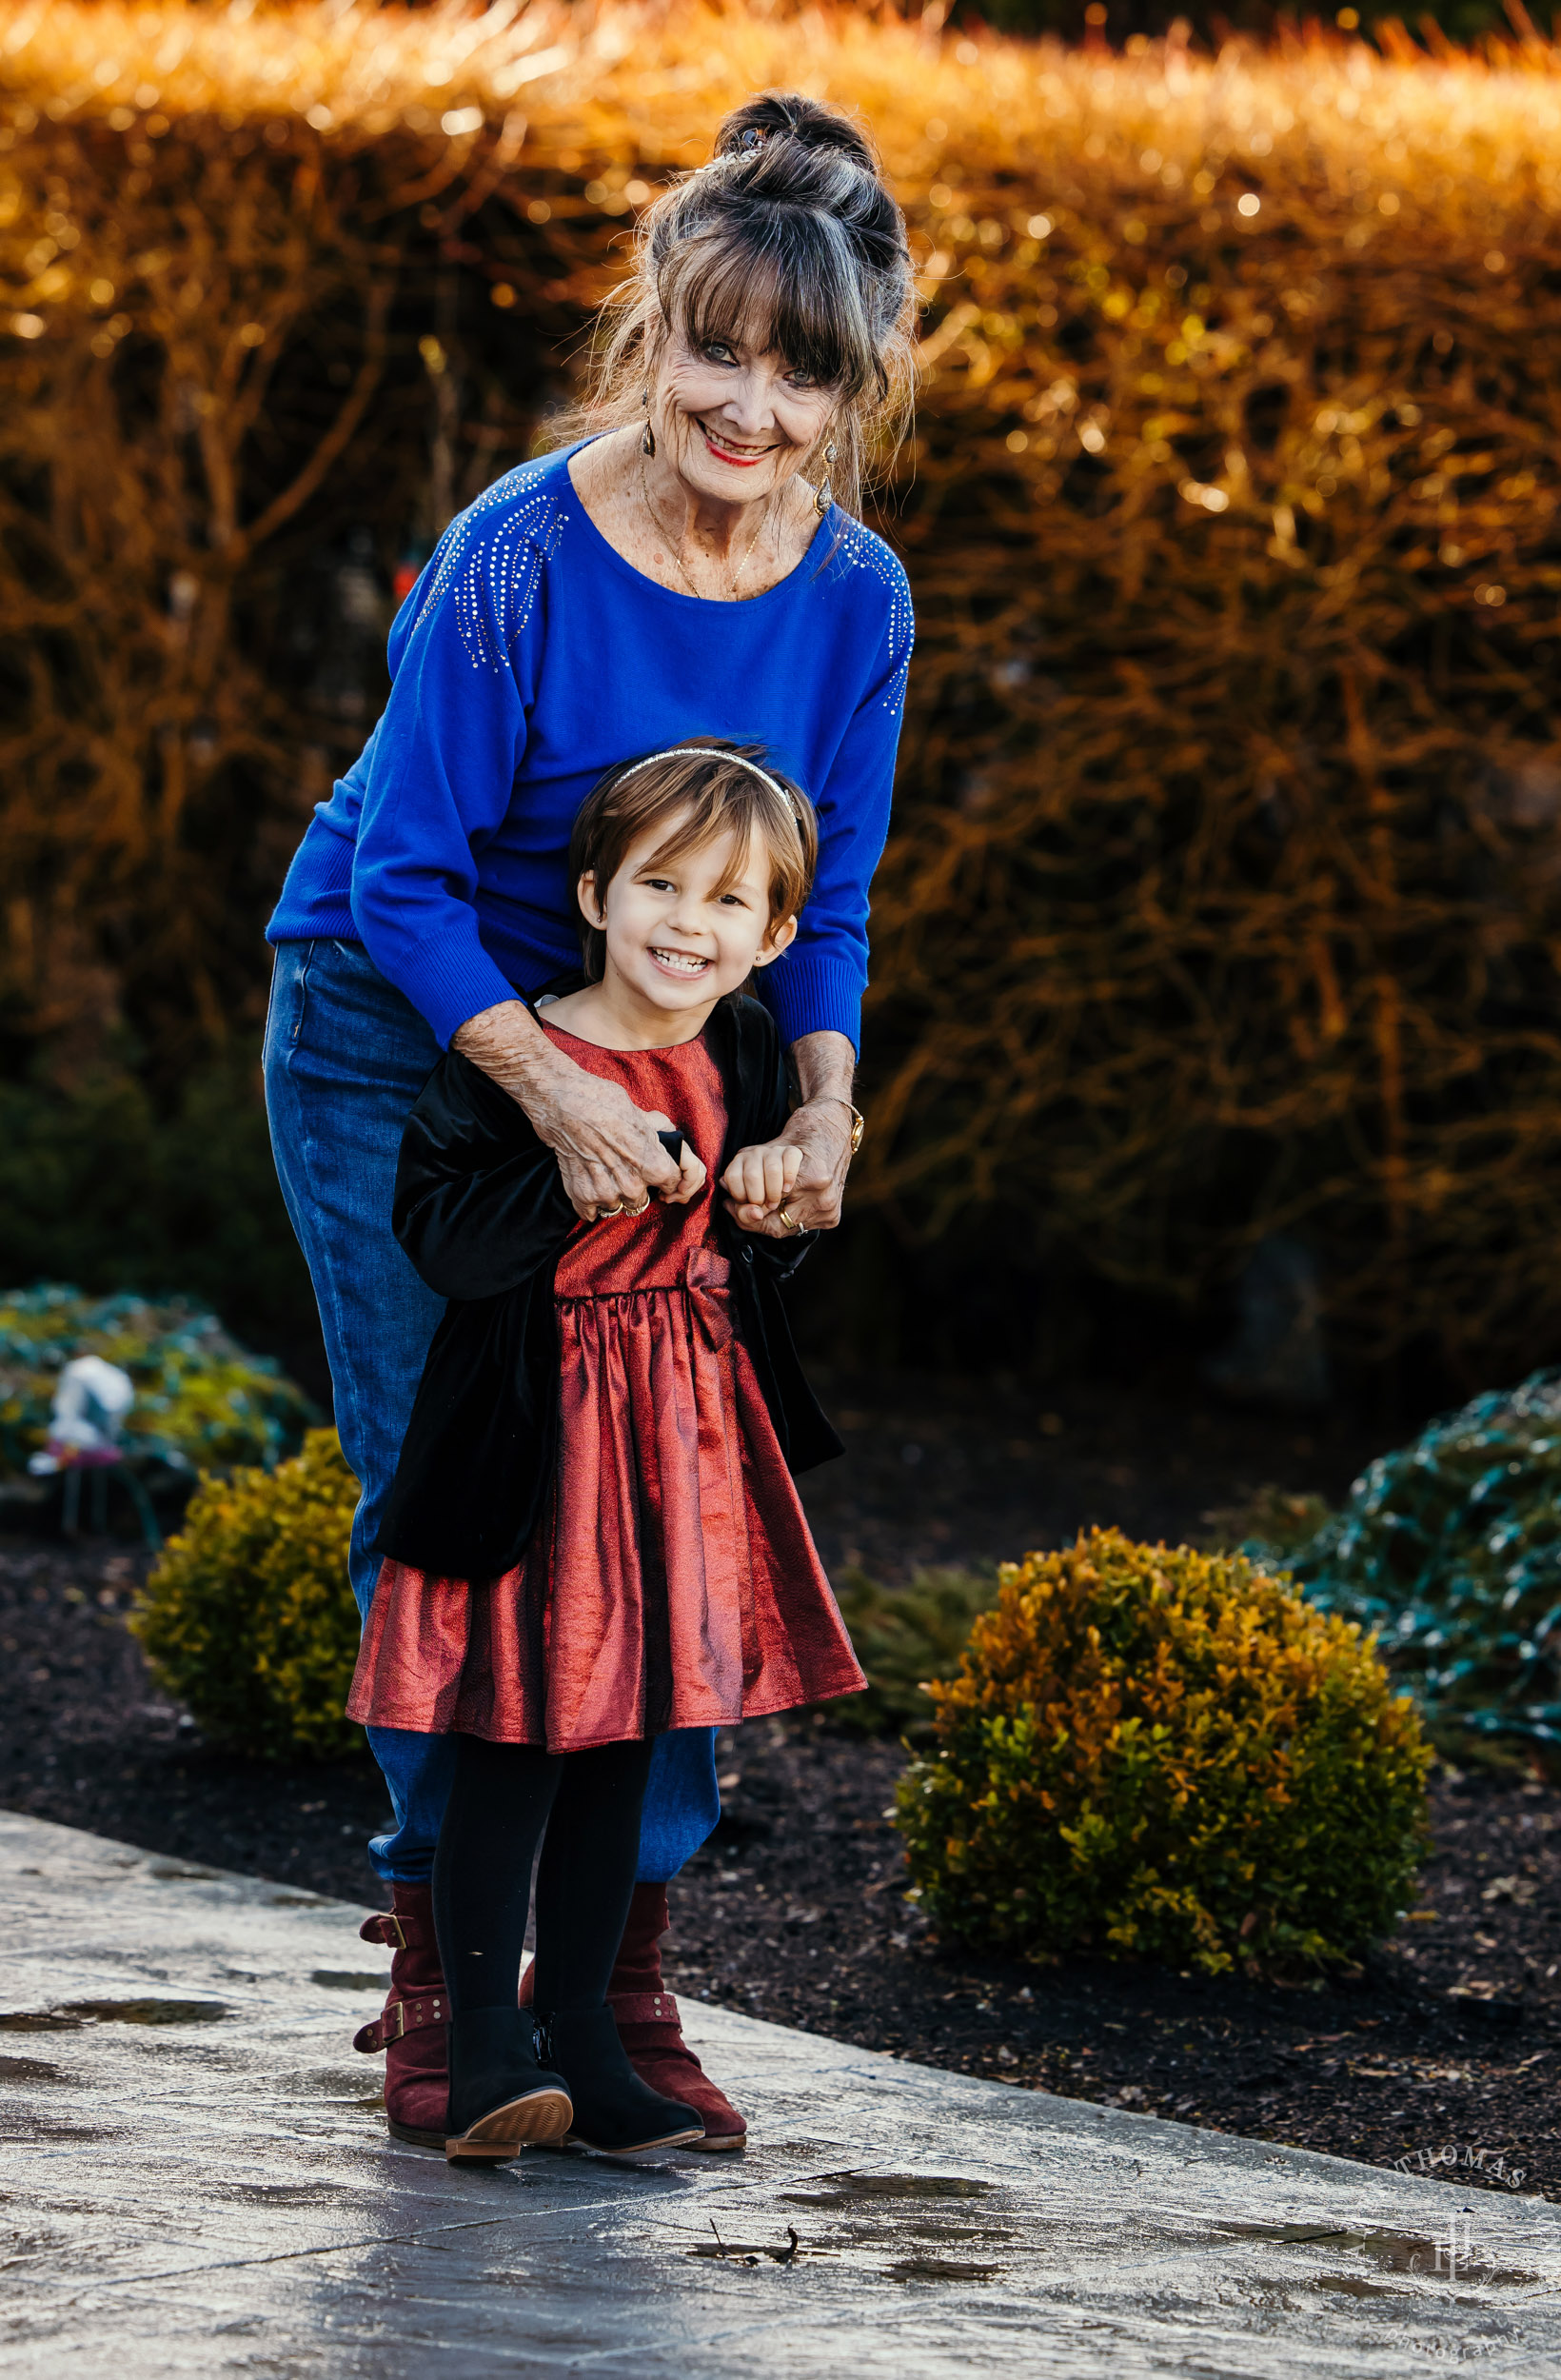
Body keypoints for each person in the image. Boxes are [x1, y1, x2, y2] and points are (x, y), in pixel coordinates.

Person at [262, 87, 916, 2152]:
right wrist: (541, 1089)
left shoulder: (858, 598)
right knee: (462, 1489)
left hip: (666, 1075)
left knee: (672, 1505)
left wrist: (820, 1106)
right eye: (718, 347)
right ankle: (450, 1983)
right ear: (657, 327)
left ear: (857, 382)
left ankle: (618, 1974)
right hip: (413, 1042)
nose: (749, 403)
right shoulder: (519, 552)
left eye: (801, 370)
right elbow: (404, 877)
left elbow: (833, 902)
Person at [345, 744, 865, 2161]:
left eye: (728, 902)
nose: (687, 922)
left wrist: (773, 1204)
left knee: (636, 1736)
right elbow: (440, 1239)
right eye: (658, 885)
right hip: (538, 1451)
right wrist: (568, 1180)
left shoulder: (748, 1049)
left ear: (771, 937)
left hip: (680, 1450)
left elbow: (766, 1248)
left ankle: (586, 2032)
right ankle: (483, 2049)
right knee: (516, 1739)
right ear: (594, 892)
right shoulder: (515, 1057)